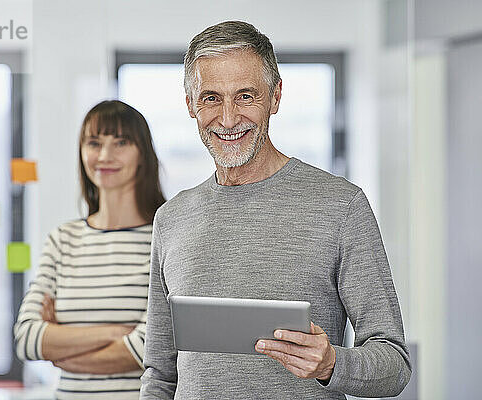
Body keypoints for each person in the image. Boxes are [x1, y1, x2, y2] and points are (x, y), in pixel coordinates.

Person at [140, 21, 411, 399]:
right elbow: (159, 374)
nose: (229, 118)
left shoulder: (341, 205)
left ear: (276, 96)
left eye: (246, 96)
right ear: (190, 105)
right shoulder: (171, 219)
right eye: (211, 98)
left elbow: (394, 364)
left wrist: (332, 364)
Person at [14, 100, 166, 399]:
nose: (105, 156)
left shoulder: (165, 238)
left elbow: (154, 345)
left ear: (142, 155)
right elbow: (27, 338)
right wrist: (115, 333)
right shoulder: (62, 239)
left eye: (121, 142)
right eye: (94, 143)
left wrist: (62, 350)